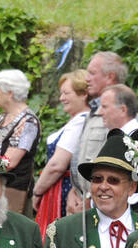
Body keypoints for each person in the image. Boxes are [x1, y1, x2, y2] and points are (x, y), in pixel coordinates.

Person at [32, 70, 89, 234]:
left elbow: (57, 164)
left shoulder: (80, 122)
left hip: (63, 191)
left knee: (58, 238)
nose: (61, 98)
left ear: (83, 94)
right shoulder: (76, 121)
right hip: (57, 189)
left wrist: (37, 192)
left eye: (66, 93)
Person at [97, 85, 138, 217]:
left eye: (104, 107)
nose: (99, 112)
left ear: (122, 110)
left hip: (132, 215)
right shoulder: (114, 136)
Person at [0, 69, 40, 214]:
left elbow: (10, 161)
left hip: (12, 191)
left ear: (9, 92)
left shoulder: (28, 122)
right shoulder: (2, 117)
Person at [73, 52, 127, 199]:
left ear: (110, 77)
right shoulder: (94, 108)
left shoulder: (119, 112)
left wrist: (90, 200)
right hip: (83, 200)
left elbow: (120, 165)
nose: (86, 78)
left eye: (92, 73)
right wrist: (74, 192)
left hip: (101, 201)